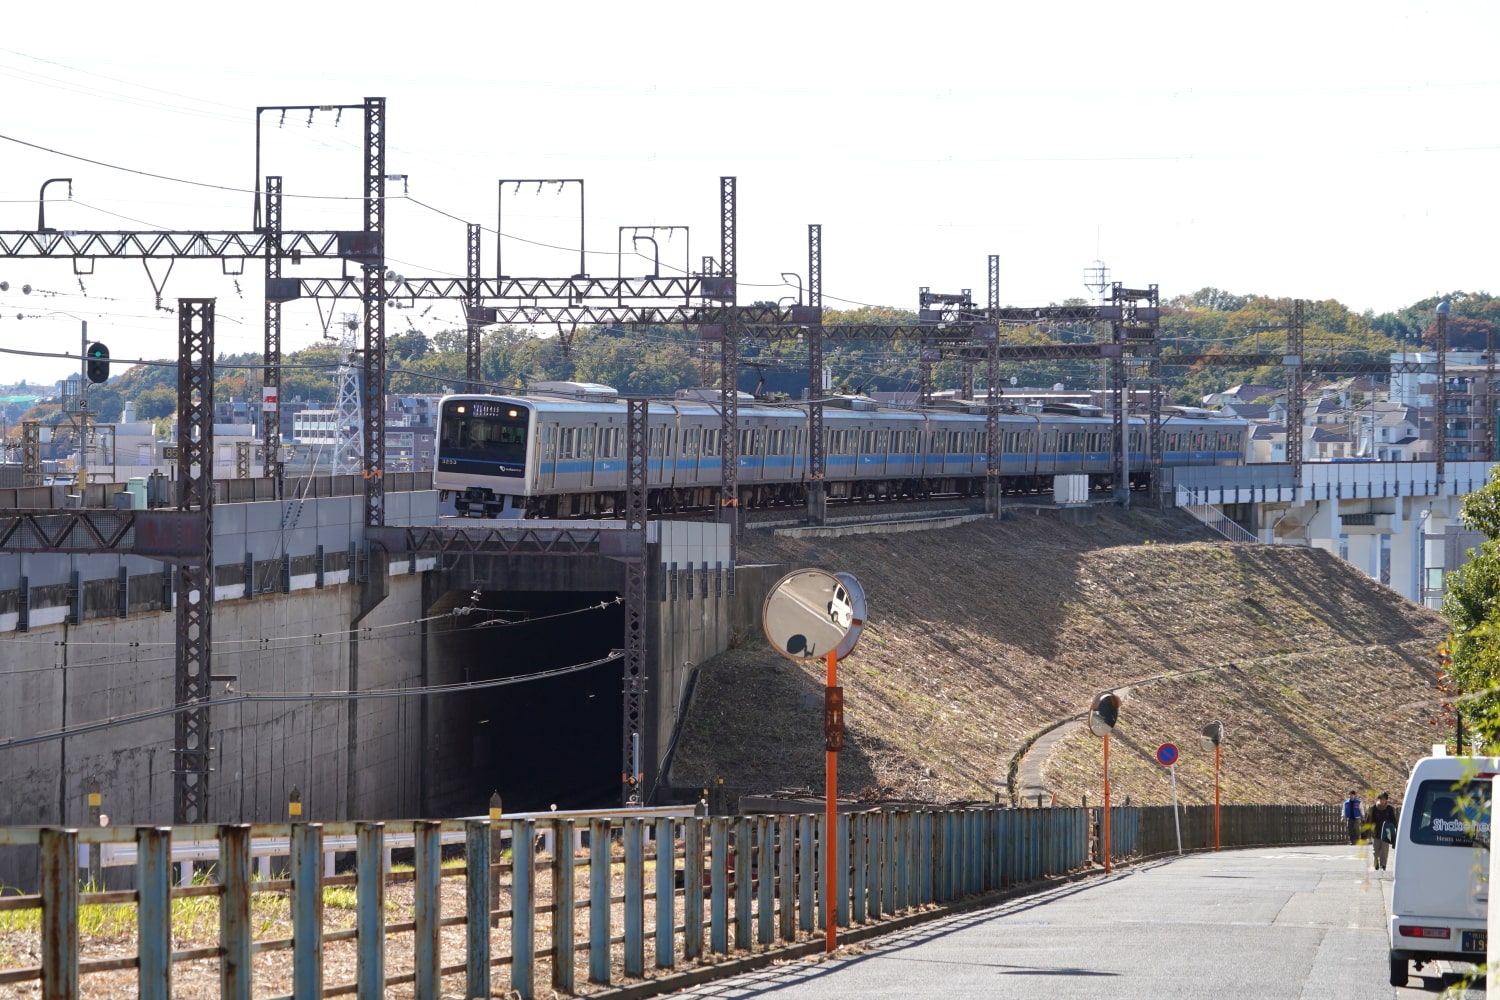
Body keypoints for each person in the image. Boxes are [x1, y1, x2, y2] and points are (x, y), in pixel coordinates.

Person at [1368, 792, 1398, 870]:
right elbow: (1369, 821)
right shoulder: (1373, 808)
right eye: (1380, 799)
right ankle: (1376, 861)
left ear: (1386, 800)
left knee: (1385, 850)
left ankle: (1383, 865)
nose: (1382, 801)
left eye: (1384, 799)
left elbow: (1393, 820)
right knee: (1376, 851)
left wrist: (1395, 829)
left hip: (1386, 832)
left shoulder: (1389, 809)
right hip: (1376, 832)